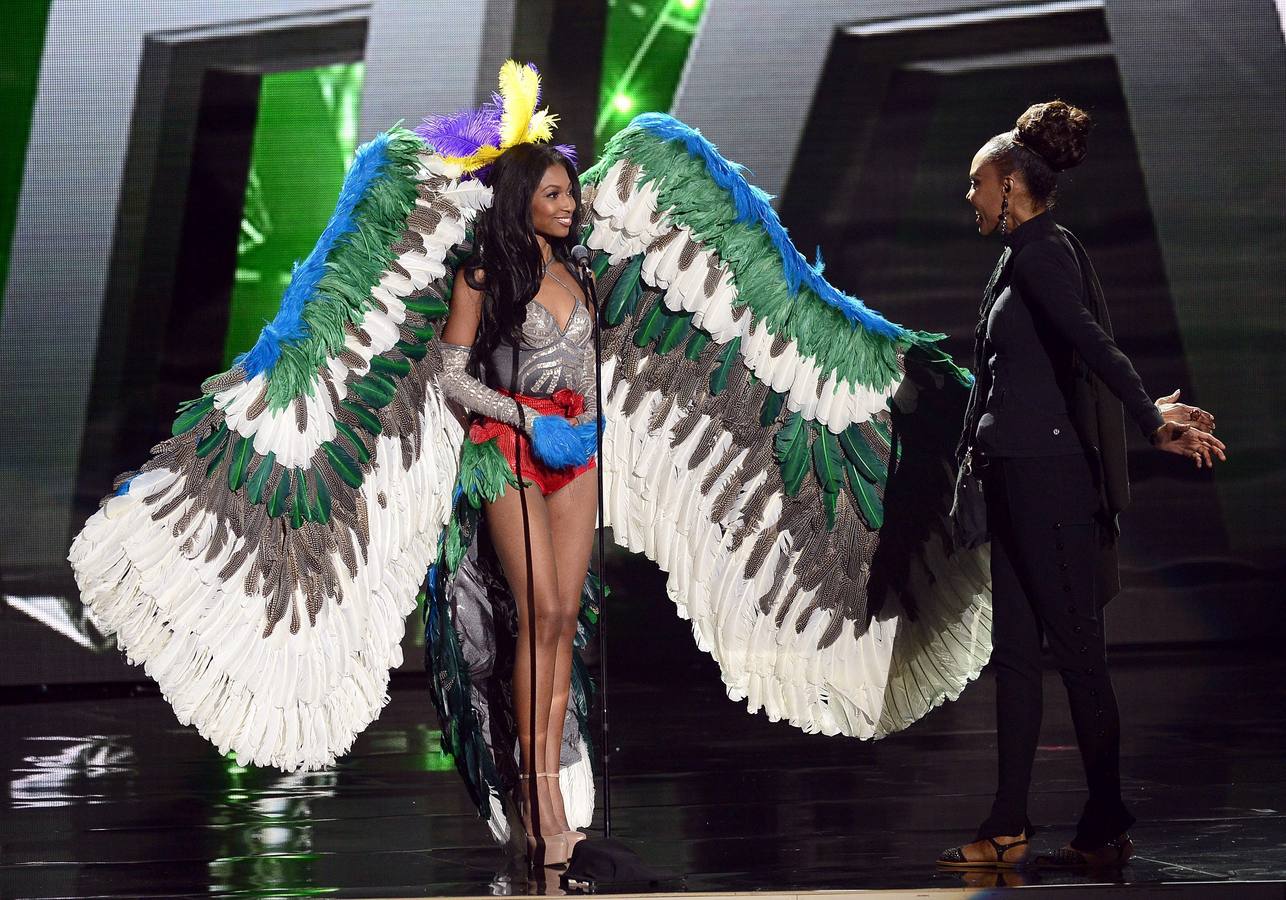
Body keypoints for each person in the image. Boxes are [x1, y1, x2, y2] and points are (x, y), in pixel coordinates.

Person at [939, 100, 1227, 870]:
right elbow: (1034, 369)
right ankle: (1007, 824)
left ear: (1008, 185)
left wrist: (1147, 418)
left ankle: (1104, 819)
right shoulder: (1018, 256)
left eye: (975, 183)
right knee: (1019, 661)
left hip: (1052, 487)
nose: (967, 196)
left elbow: (1092, 345)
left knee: (1078, 657)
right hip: (1015, 484)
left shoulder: (1041, 255)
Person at [437, 140, 600, 867]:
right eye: (554, 195)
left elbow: (590, 369)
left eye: (571, 195)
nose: (570, 206)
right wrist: (525, 417)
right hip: (509, 452)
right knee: (535, 612)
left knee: (563, 618)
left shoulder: (579, 272)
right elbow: (452, 377)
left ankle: (553, 793)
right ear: (521, 200)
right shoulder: (484, 275)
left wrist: (584, 424)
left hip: (578, 454)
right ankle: (539, 802)